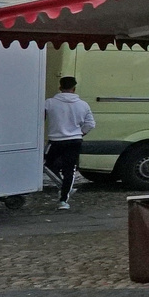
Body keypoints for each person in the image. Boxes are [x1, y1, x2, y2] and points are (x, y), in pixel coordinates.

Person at [43, 75, 95, 210]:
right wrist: (80, 132)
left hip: (55, 140)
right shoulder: (83, 104)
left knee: (46, 165)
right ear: (74, 88)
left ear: (60, 87)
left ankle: (63, 186)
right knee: (69, 170)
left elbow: (39, 119)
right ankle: (63, 200)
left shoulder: (49, 103)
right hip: (75, 140)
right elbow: (90, 124)